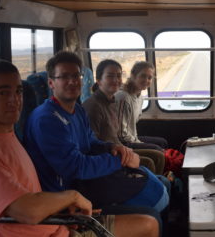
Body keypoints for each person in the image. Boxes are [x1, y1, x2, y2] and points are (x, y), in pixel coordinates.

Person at [0, 59, 158, 237]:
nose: (14, 100)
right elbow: (27, 211)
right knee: (148, 225)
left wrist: (62, 208)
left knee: (148, 216)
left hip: (56, 222)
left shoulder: (6, 135)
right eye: (3, 93)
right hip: (38, 231)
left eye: (18, 91)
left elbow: (28, 193)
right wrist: (71, 196)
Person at [24, 51, 168, 213]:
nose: (72, 81)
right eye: (64, 77)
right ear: (51, 83)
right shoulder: (46, 119)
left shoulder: (77, 110)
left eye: (76, 76)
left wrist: (113, 148)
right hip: (67, 193)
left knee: (158, 185)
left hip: (85, 180)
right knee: (152, 207)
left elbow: (91, 141)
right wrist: (120, 161)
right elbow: (74, 167)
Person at [83, 59, 165, 174]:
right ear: (99, 80)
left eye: (118, 76)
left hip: (117, 147)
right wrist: (121, 150)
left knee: (158, 155)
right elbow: (91, 145)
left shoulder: (110, 101)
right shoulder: (94, 106)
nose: (116, 80)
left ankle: (158, 184)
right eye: (110, 76)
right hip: (108, 154)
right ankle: (152, 186)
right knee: (151, 160)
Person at [115, 61, 168, 151]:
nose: (146, 80)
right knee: (157, 149)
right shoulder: (123, 97)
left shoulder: (140, 97)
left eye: (150, 78)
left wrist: (137, 140)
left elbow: (131, 127)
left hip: (131, 138)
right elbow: (120, 134)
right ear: (133, 76)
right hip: (121, 142)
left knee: (162, 142)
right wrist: (138, 143)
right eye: (143, 76)